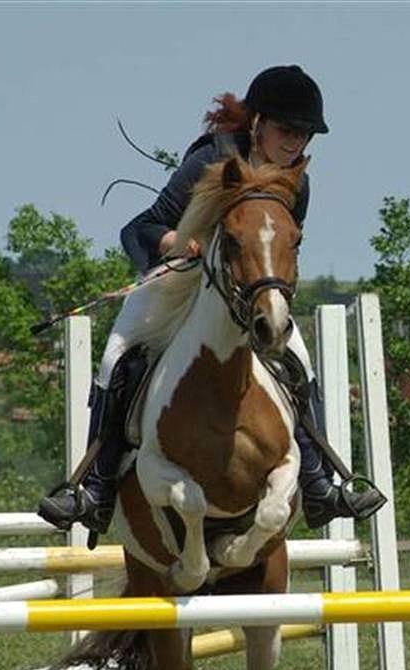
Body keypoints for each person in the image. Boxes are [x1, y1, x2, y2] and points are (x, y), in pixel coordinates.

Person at [38, 65, 385, 536]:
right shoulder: (211, 159)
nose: (294, 144)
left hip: (248, 294)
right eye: (287, 130)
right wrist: (177, 243)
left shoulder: (296, 180)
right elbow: (139, 227)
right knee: (116, 354)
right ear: (258, 122)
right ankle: (94, 489)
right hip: (181, 279)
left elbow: (280, 246)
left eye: (305, 135)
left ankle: (321, 483)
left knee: (301, 363)